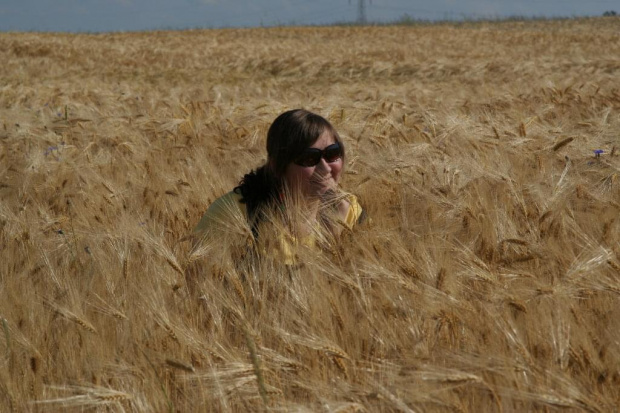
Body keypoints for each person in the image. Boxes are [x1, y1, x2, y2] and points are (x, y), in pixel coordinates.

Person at [192, 109, 365, 264]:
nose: (326, 168)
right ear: (277, 167)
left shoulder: (349, 210)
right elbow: (198, 287)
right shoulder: (235, 213)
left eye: (333, 153)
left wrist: (336, 236)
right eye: (309, 158)